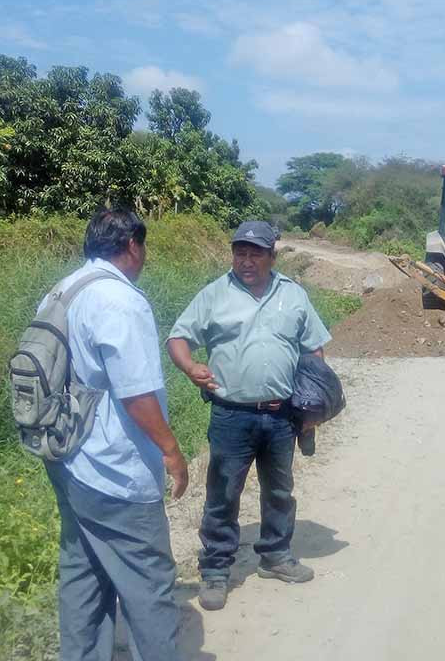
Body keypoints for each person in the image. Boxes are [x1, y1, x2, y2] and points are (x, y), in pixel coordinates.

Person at [44, 207, 188, 661]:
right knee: (150, 585)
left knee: (83, 574)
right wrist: (171, 450)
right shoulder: (121, 300)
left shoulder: (62, 291)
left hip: (67, 458)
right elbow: (136, 394)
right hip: (114, 469)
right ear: (132, 246)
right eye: (143, 247)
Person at [166, 221, 331, 612]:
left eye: (256, 252)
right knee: (222, 494)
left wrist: (313, 406)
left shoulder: (293, 295)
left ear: (273, 256)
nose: (247, 260)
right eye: (240, 252)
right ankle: (216, 571)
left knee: (279, 490)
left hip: (281, 416)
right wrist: (190, 368)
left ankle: (275, 556)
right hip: (231, 416)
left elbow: (314, 352)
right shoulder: (214, 294)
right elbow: (178, 338)